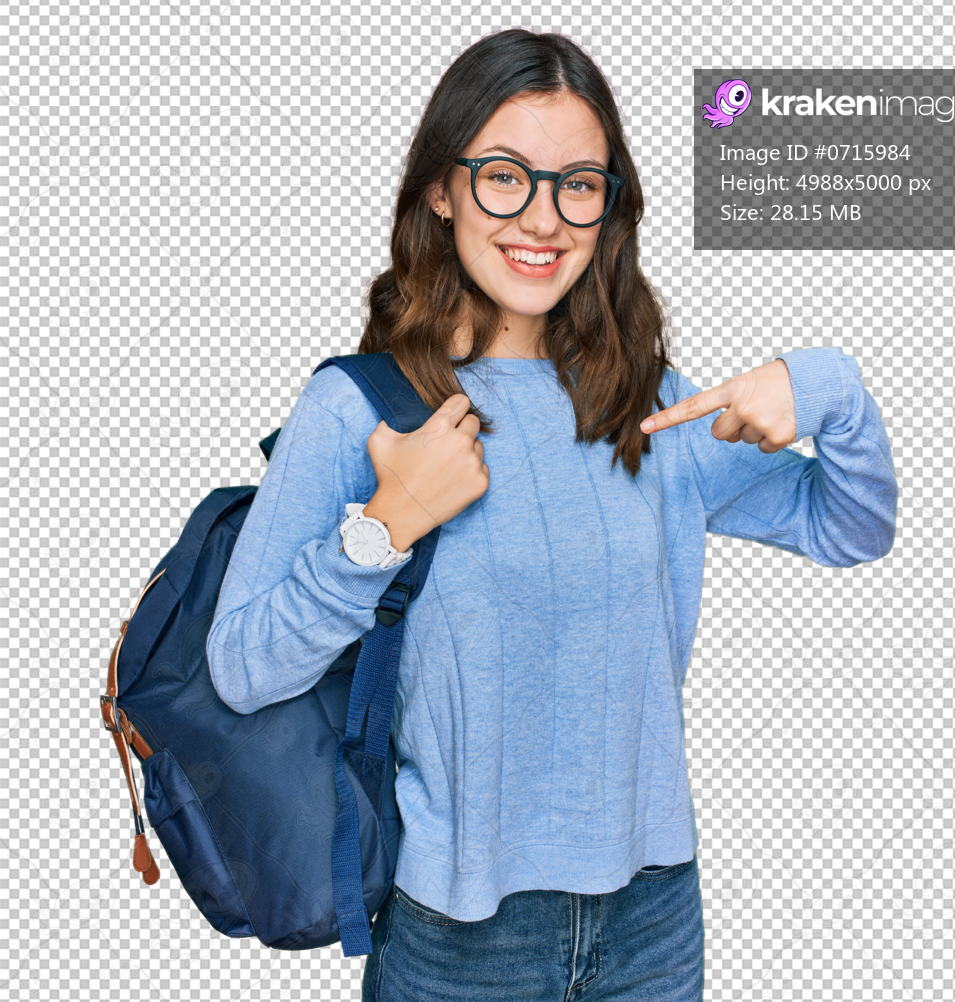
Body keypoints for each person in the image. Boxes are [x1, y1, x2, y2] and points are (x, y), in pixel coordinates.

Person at [206, 28, 897, 1002]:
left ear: (609, 206)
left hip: (653, 919)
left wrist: (829, 389)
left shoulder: (646, 401)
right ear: (440, 190)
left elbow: (850, 526)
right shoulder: (358, 408)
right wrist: (382, 528)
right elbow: (240, 671)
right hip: (457, 935)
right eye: (503, 175)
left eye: (578, 183)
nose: (543, 217)